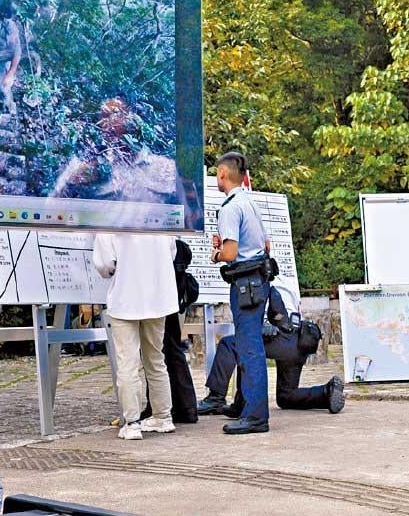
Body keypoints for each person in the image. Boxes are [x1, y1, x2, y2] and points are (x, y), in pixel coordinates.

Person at [198, 278, 345, 416]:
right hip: (299, 341)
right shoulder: (288, 281)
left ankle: (216, 398)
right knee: (286, 396)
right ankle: (326, 392)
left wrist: (269, 323)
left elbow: (275, 304)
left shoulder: (262, 279)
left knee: (231, 344)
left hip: (281, 334)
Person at [92, 232, 179, 439]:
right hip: (158, 298)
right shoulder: (160, 220)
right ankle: (163, 416)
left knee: (127, 363)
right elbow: (172, 253)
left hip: (126, 298)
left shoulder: (111, 223)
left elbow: (104, 265)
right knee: (156, 359)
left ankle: (132, 423)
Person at [212, 151, 273, 435]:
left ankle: (256, 416)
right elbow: (267, 245)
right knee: (249, 345)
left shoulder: (230, 207)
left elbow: (230, 253)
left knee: (250, 349)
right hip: (260, 281)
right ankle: (243, 405)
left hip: (245, 285)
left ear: (223, 173)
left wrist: (216, 254)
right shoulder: (250, 202)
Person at [141, 239, 203, 425]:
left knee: (156, 353)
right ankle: (185, 406)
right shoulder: (169, 234)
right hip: (170, 294)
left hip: (156, 294)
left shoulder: (152, 233)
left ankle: (165, 407)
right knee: (172, 350)